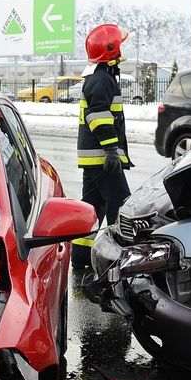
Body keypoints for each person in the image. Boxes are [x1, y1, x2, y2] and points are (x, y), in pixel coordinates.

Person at [72, 24, 132, 268]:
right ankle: (117, 258)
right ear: (111, 51)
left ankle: (81, 256)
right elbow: (98, 117)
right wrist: (110, 151)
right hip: (102, 158)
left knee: (93, 209)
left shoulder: (99, 78)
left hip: (96, 159)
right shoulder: (101, 80)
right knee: (121, 205)